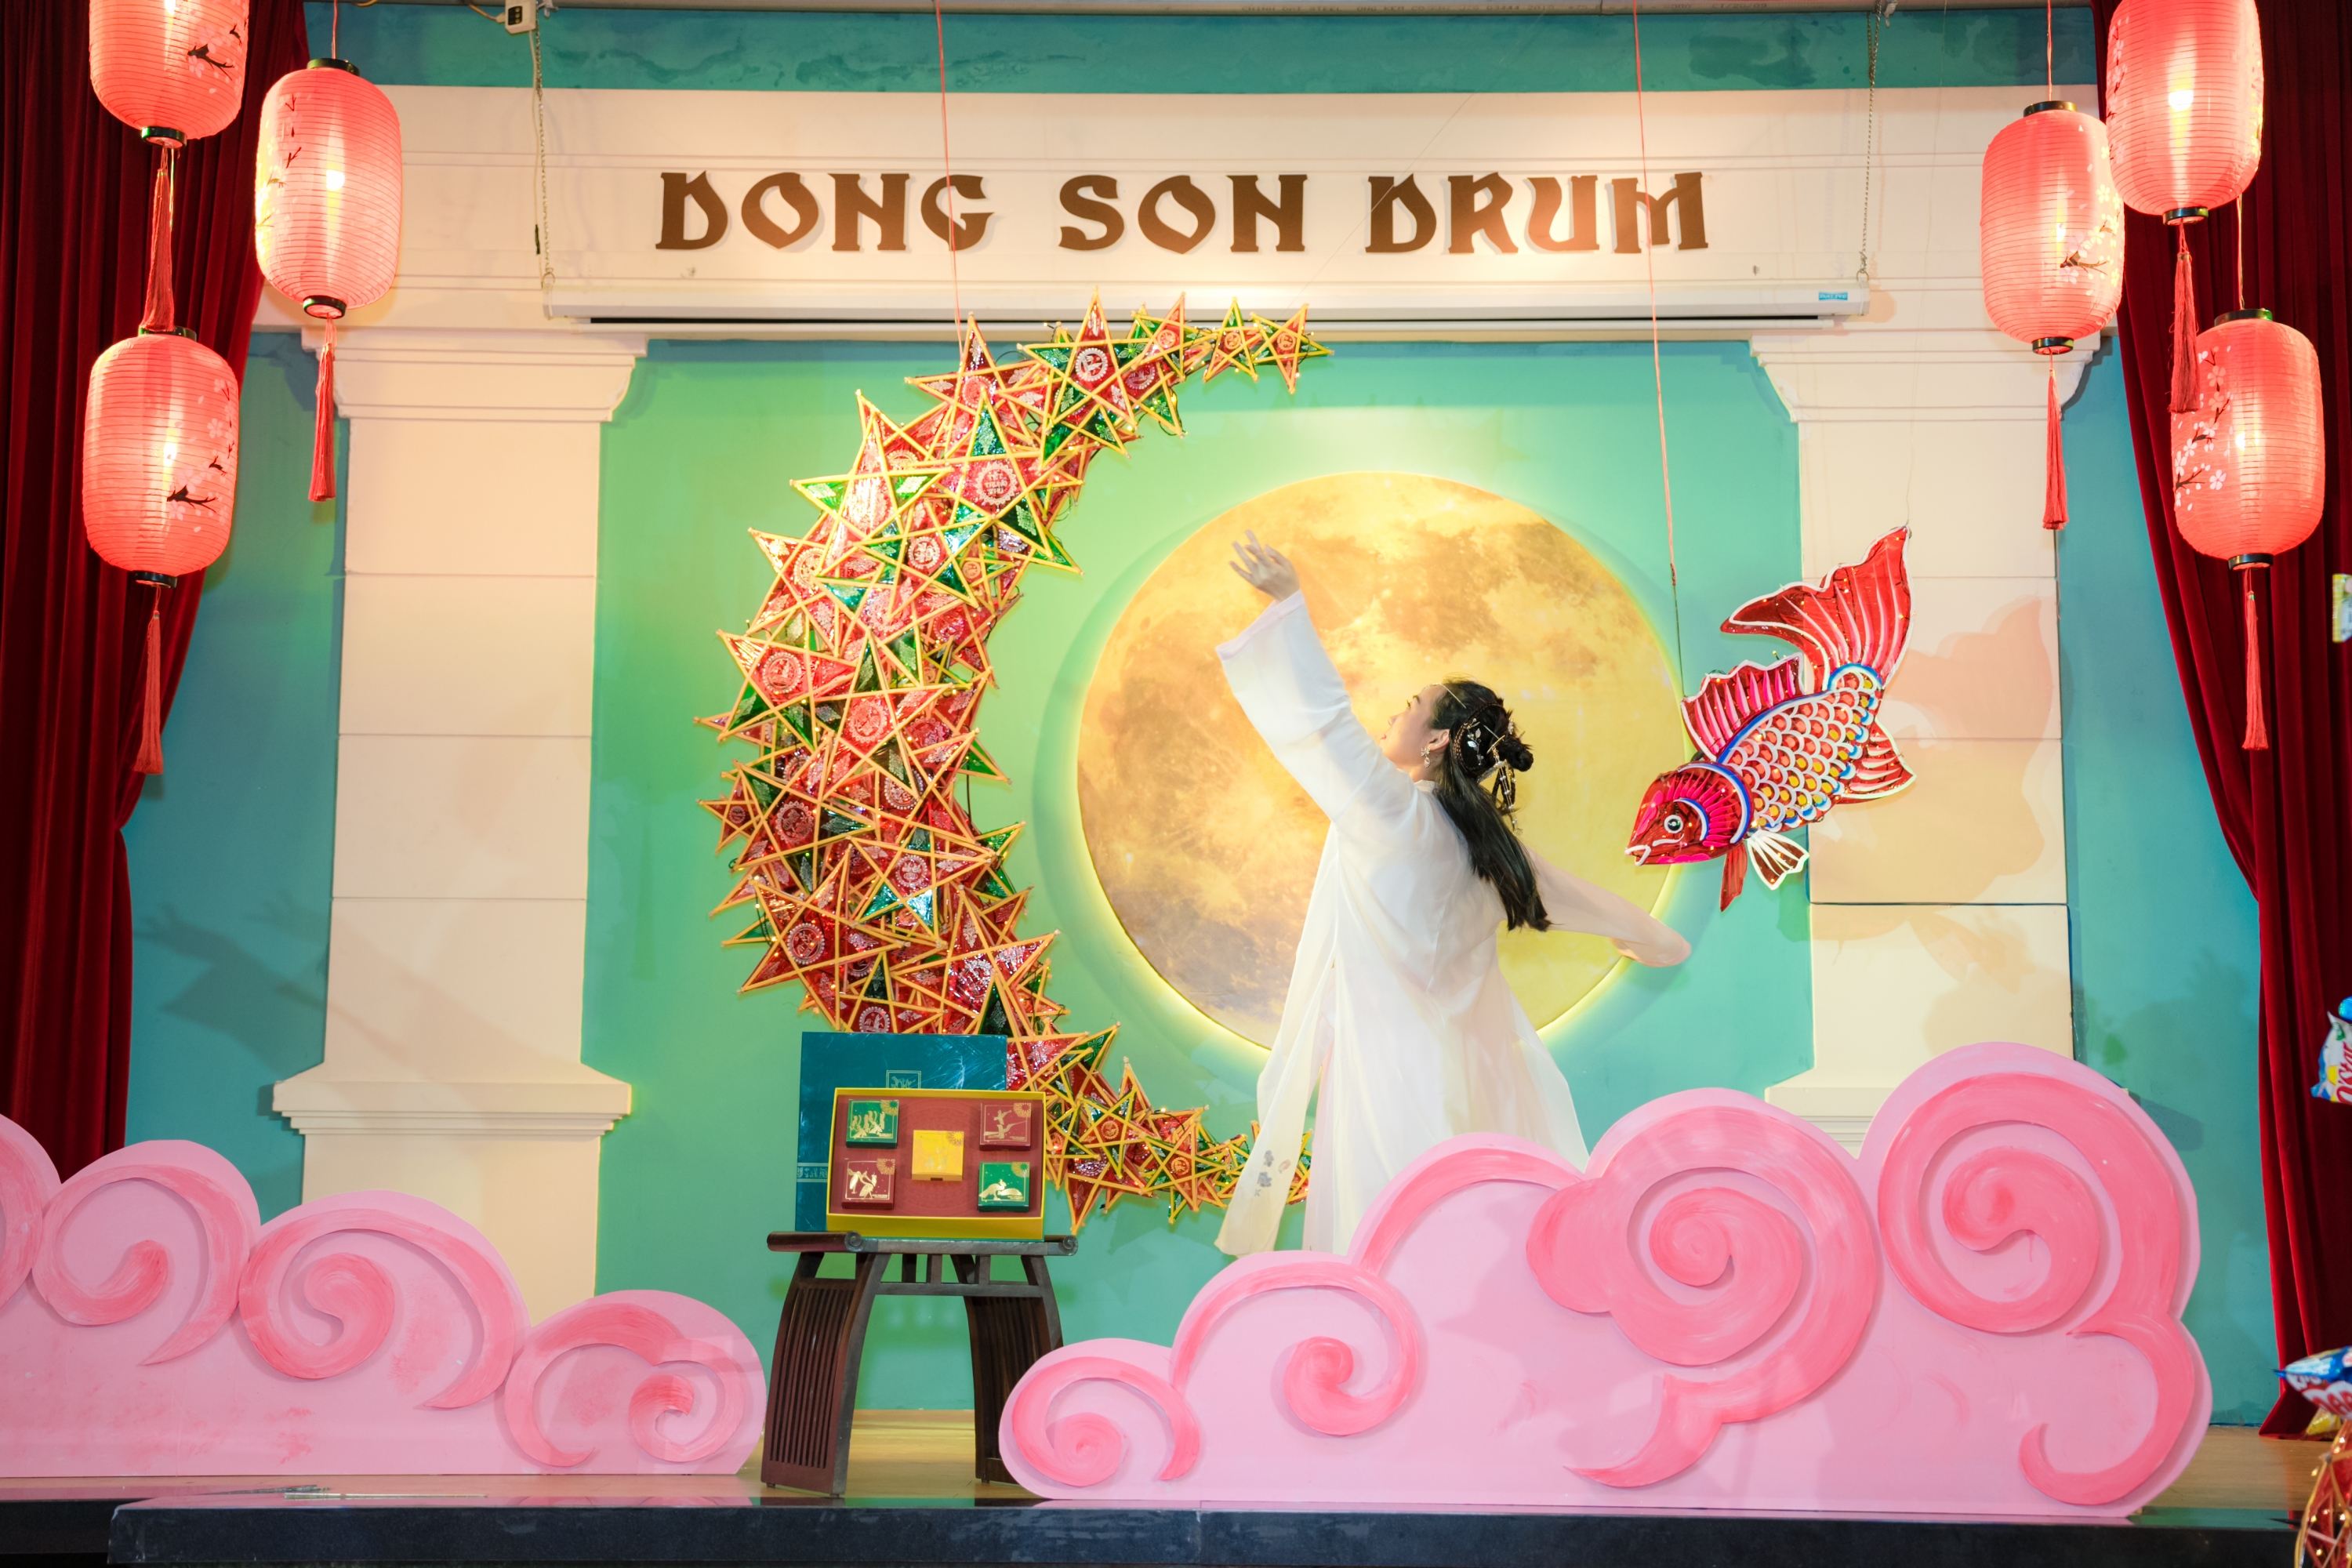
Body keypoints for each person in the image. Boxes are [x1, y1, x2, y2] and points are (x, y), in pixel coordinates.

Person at [1215, 534, 1691, 1258]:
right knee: (1460, 1247)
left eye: (1412, 705)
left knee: (1390, 1245)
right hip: (1470, 1071)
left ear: (1438, 741)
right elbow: (1597, 907)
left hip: (1384, 1072)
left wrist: (1289, 606)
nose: (1395, 714)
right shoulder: (1492, 849)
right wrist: (1655, 941)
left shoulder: (1392, 813)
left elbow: (1327, 723)